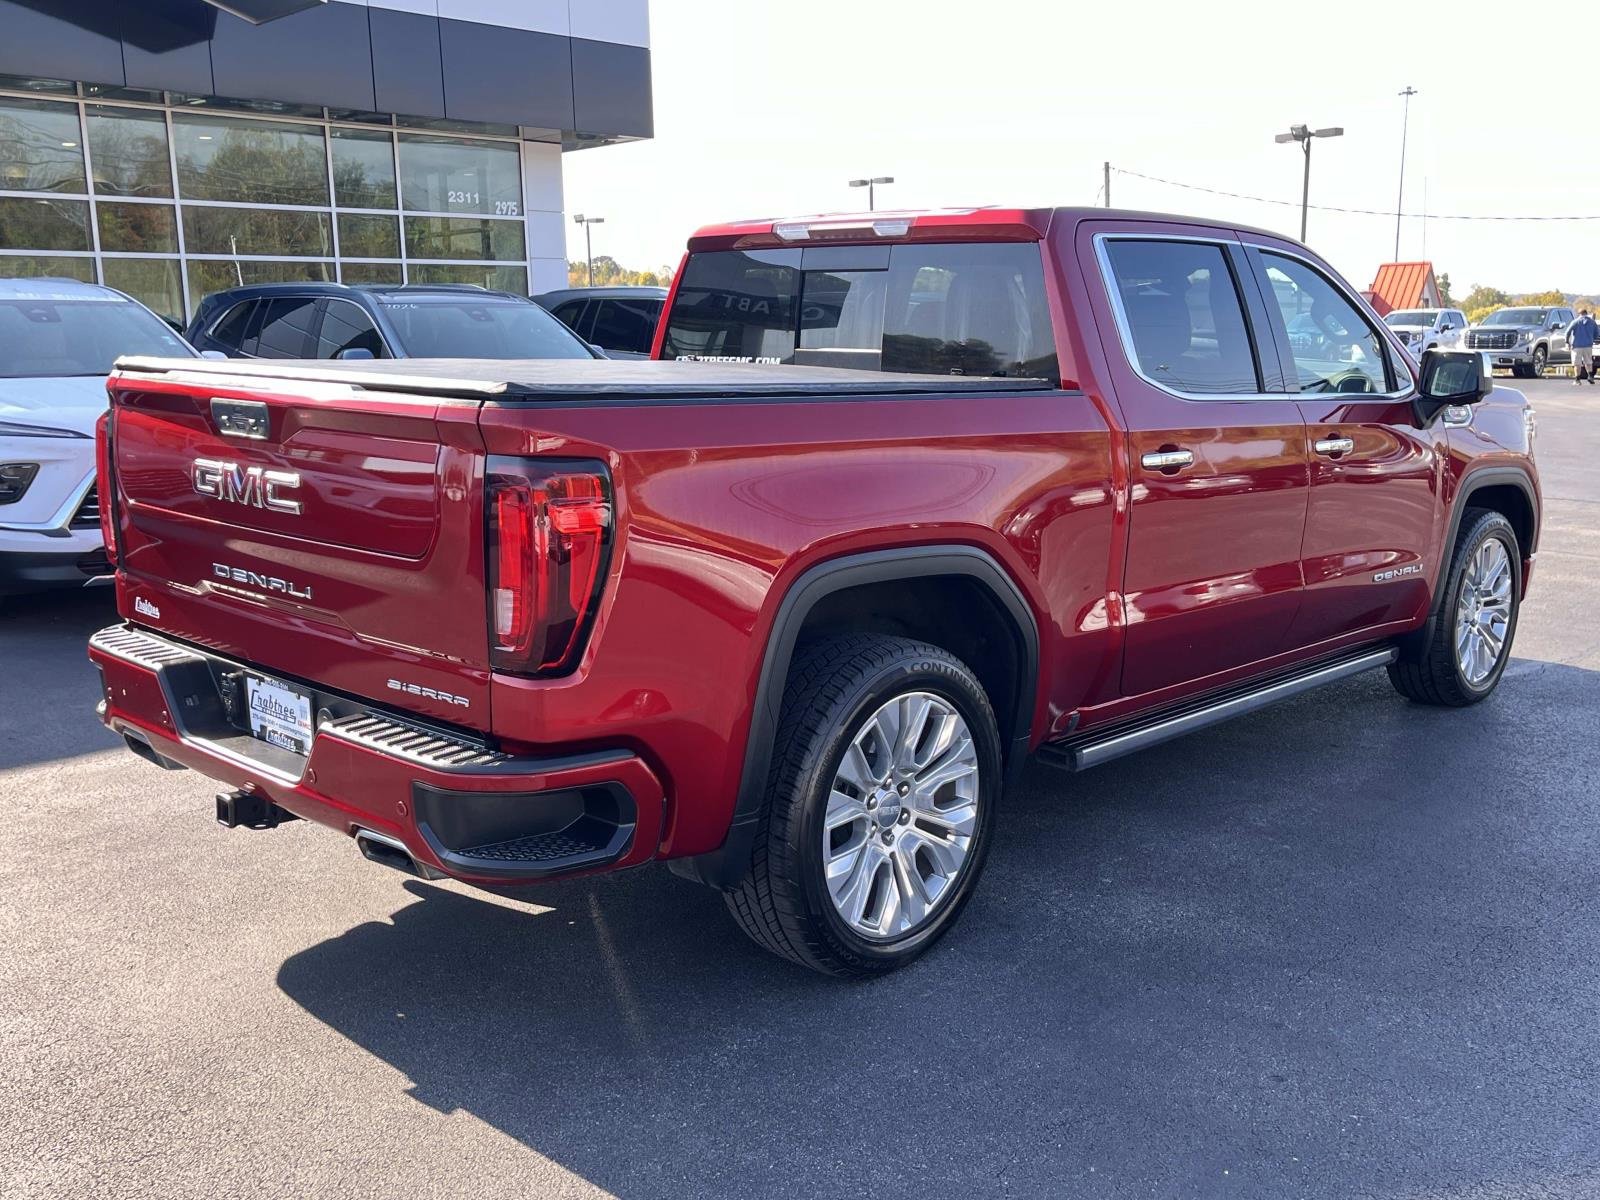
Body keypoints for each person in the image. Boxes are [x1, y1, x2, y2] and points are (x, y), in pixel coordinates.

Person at [1567, 307, 1598, 384]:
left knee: (1577, 363)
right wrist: (1591, 338)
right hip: (1588, 345)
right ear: (1586, 313)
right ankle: (1590, 376)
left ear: (1579, 314)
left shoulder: (1575, 322)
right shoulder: (1592, 322)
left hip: (1577, 345)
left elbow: (1567, 332)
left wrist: (1567, 341)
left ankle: (1577, 380)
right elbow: (1597, 333)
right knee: (1588, 362)